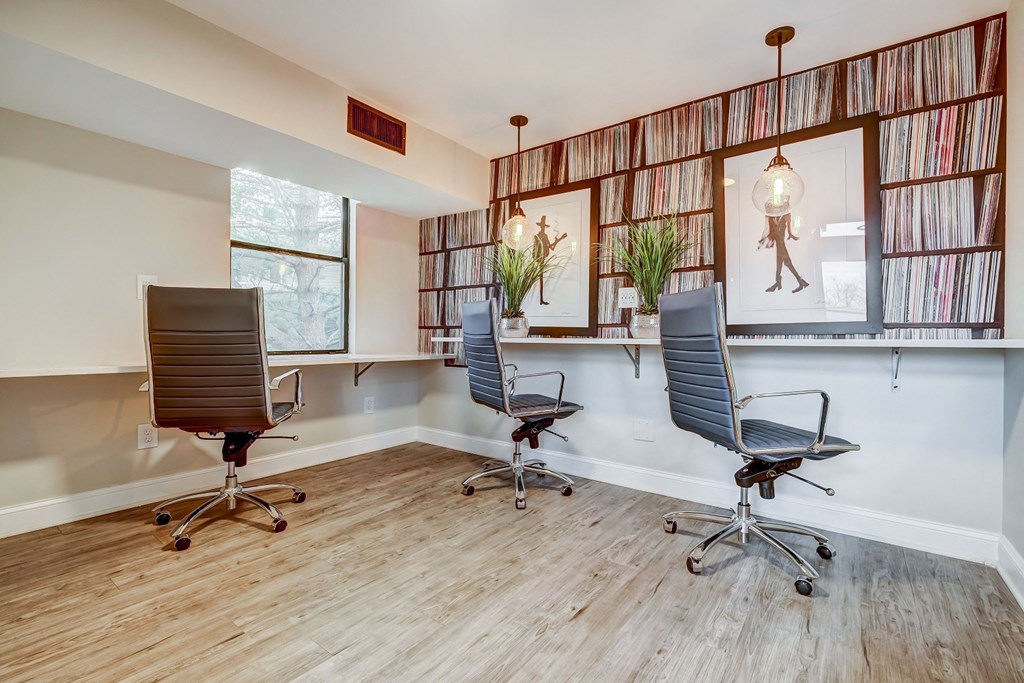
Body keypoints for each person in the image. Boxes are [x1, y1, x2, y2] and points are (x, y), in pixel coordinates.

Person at [757, 208, 809, 293]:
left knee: (786, 262)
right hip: (779, 241)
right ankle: (797, 281)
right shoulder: (771, 216)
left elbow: (788, 224)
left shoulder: (785, 213)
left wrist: (790, 234)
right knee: (782, 261)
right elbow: (768, 229)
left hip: (780, 241)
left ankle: (782, 282)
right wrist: (763, 239)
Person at [532, 215, 567, 305]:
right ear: (540, 226)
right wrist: (536, 257)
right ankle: (541, 299)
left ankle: (541, 299)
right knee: (540, 278)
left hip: (543, 258)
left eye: (544, 226)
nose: (543, 228)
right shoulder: (536, 236)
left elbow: (551, 247)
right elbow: (535, 249)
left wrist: (559, 239)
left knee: (541, 278)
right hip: (539, 259)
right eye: (542, 226)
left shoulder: (545, 236)